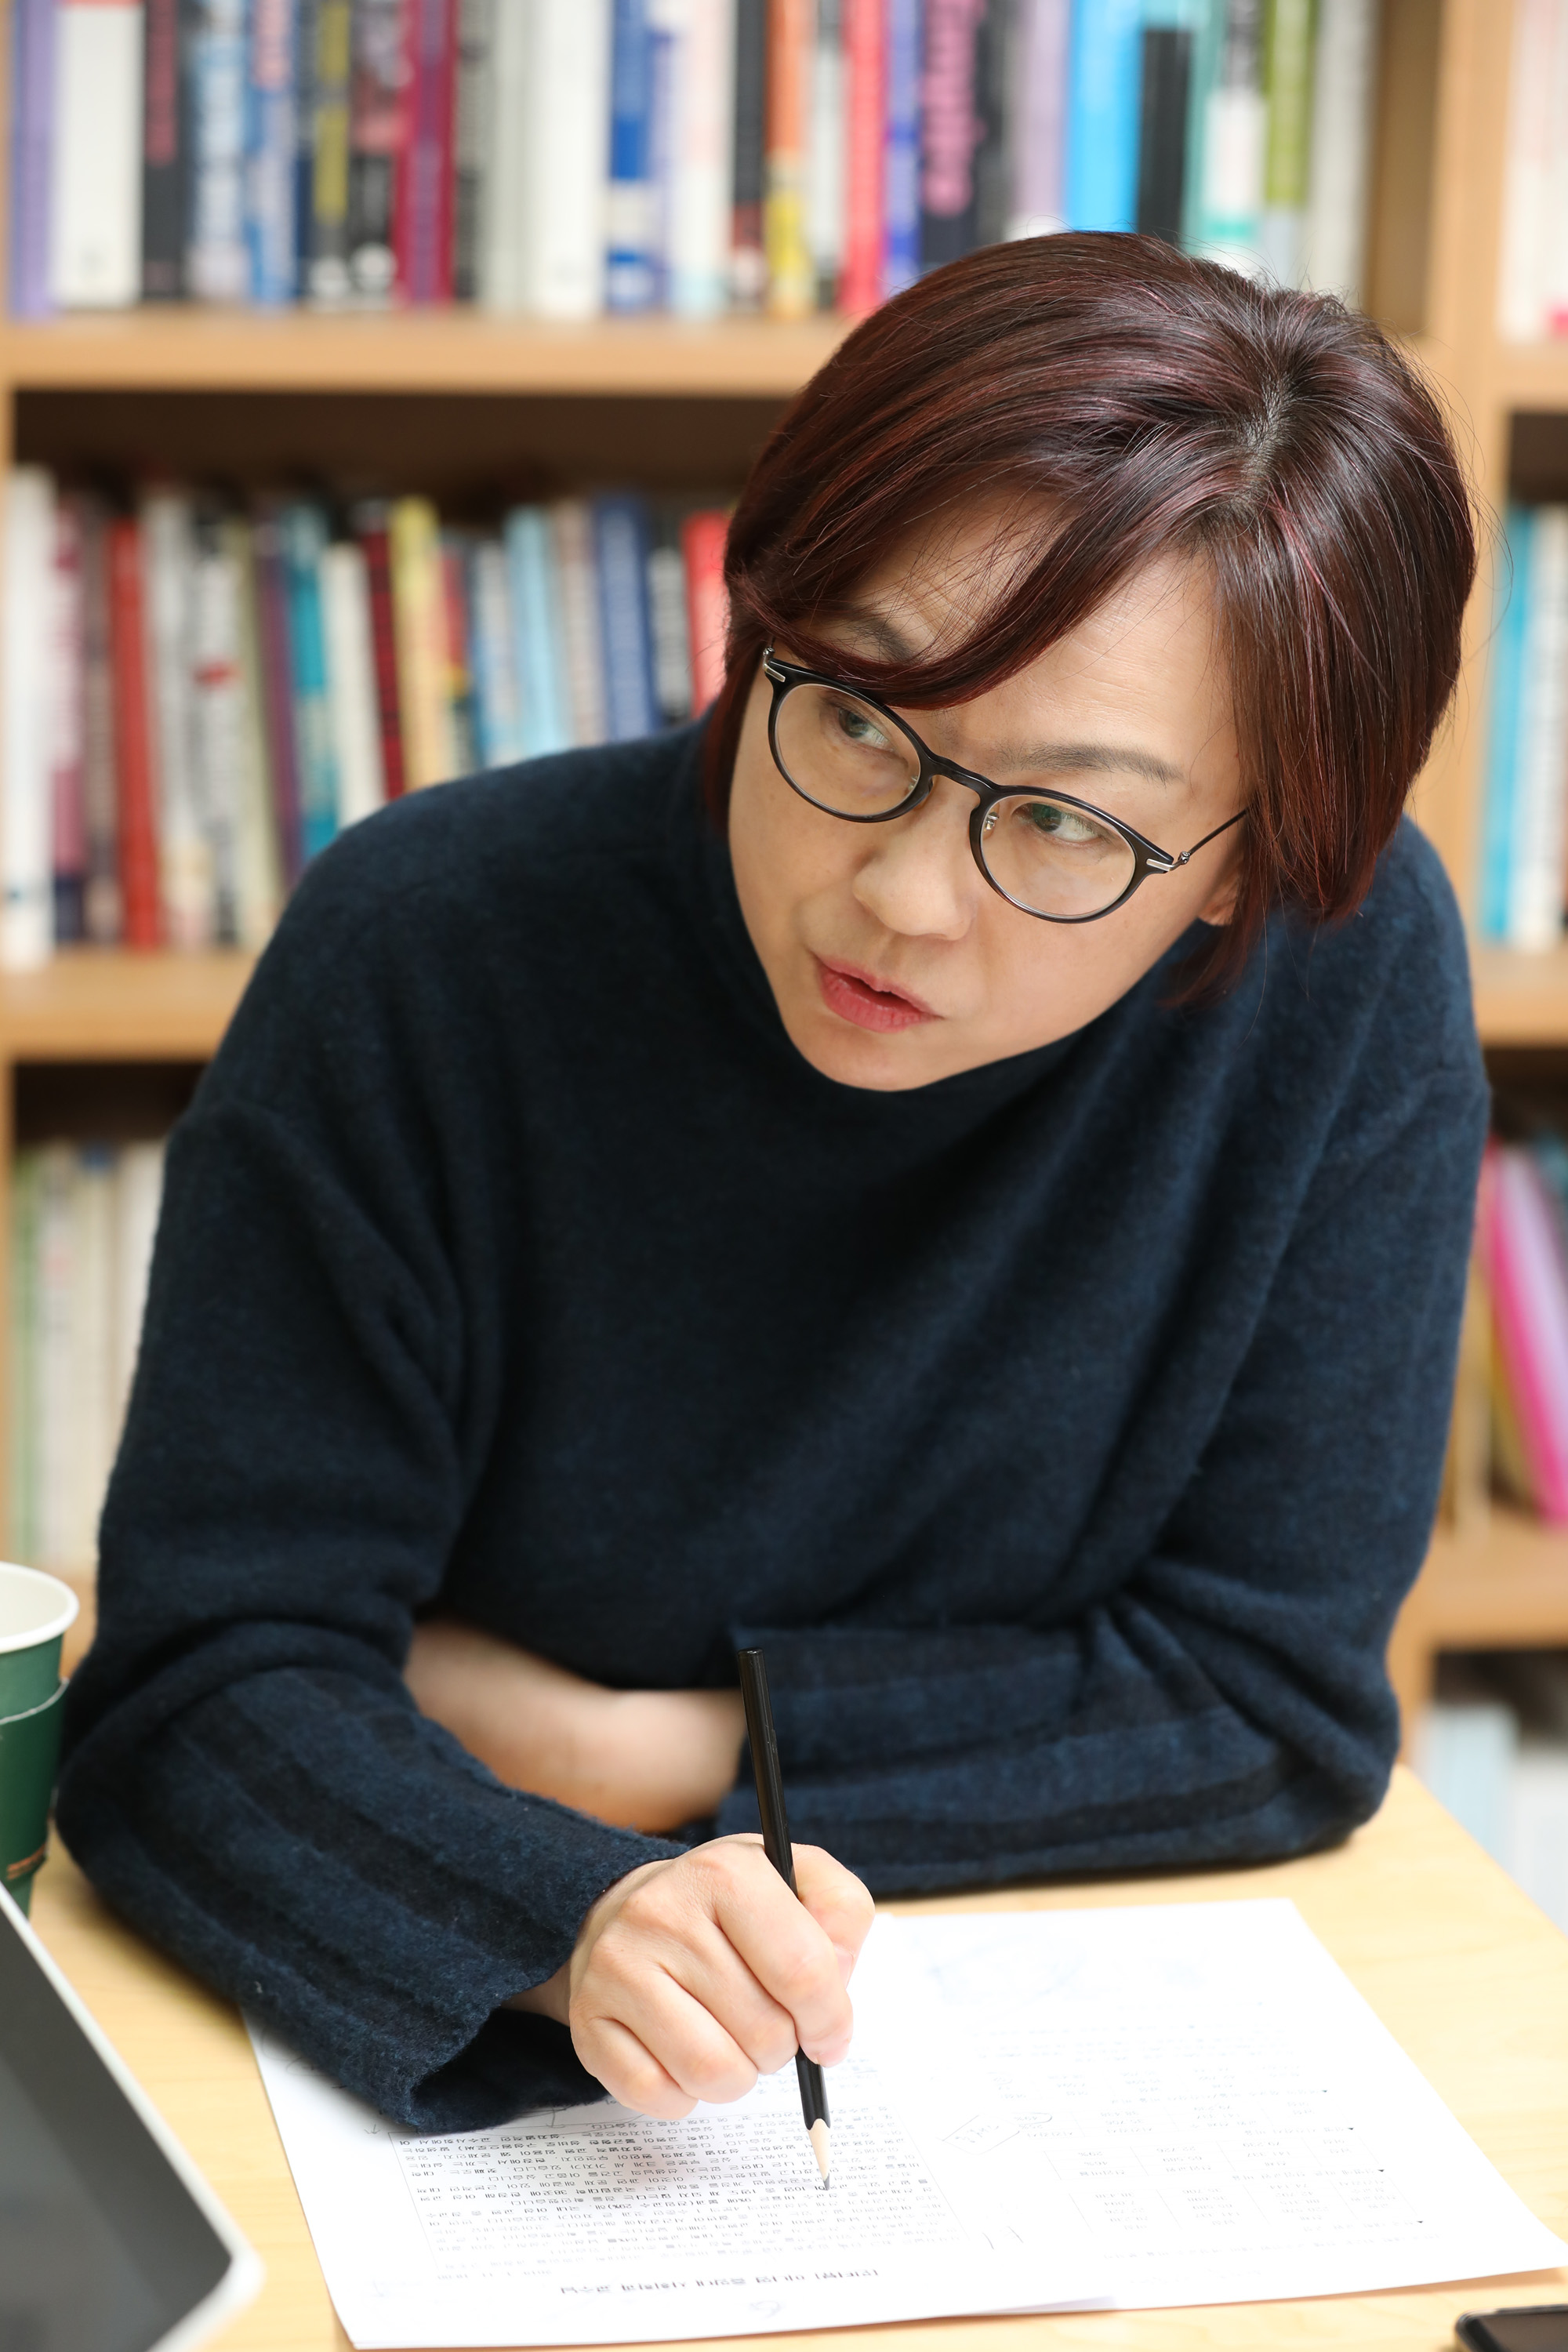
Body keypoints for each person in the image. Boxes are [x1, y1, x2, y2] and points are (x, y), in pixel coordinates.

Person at [59, 234, 1486, 2136]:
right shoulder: (433, 946)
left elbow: (1273, 1708)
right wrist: (566, 1909)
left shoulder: (1338, 975)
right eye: (856, 719)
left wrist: (653, 1753)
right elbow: (195, 1696)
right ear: (757, 613)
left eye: (1061, 821)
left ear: (1243, 863)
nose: (901, 894)